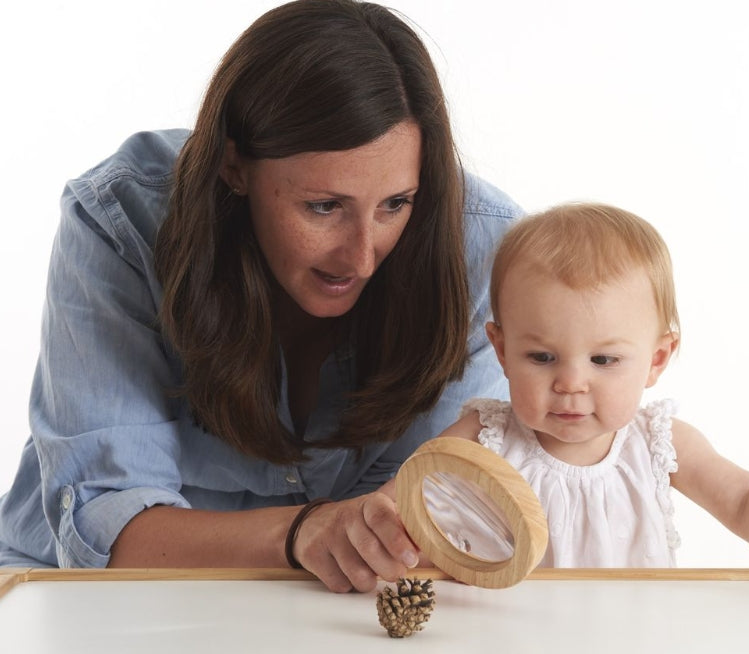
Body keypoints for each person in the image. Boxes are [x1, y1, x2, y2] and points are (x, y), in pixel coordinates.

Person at [0, 0, 522, 594]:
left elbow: (436, 514)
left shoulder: (485, 251)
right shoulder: (122, 223)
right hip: (77, 596)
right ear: (233, 166)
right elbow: (105, 528)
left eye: (395, 205)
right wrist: (303, 533)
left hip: (332, 610)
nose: (362, 256)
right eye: (323, 207)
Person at [435, 203, 749, 601]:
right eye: (542, 357)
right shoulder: (482, 439)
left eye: (604, 359)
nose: (571, 382)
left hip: (638, 634)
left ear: (656, 360)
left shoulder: (655, 442)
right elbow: (404, 501)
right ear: (502, 350)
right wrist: (377, 520)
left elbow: (745, 499)